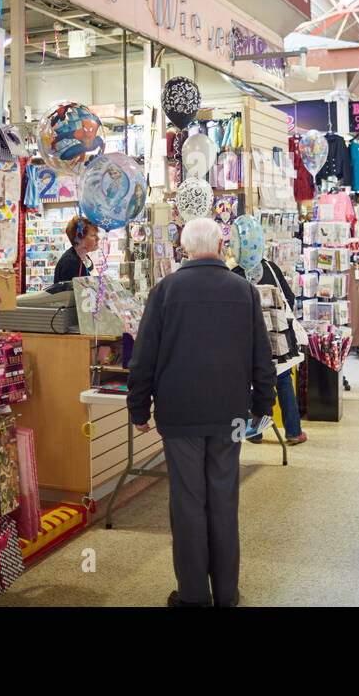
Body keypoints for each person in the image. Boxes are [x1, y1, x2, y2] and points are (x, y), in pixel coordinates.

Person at [128, 218, 276, 606]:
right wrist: (262, 409)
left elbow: (143, 357)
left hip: (180, 415)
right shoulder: (245, 291)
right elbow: (262, 357)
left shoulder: (165, 291)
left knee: (188, 503)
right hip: (230, 413)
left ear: (185, 248)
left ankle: (193, 596)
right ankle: (226, 593)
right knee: (224, 500)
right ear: (220, 245)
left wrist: (138, 406)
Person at [231, 258, 307, 446]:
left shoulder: (234, 275)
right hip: (276, 338)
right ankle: (294, 431)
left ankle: (254, 433)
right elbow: (288, 297)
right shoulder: (271, 268)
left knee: (249, 381)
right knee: (283, 379)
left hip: (246, 340)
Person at [53, 215, 98, 285]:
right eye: (93, 235)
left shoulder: (84, 258)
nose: (98, 238)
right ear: (79, 239)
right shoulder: (69, 263)